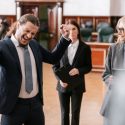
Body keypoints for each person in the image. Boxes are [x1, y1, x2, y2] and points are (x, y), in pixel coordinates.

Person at [0, 13, 71, 125]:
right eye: (27, 31)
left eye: (33, 33)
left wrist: (65, 38)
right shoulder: (3, 47)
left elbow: (53, 58)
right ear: (18, 25)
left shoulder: (34, 44)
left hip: (35, 106)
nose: (29, 36)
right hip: (12, 107)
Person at [53, 20, 92, 125]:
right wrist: (59, 80)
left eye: (74, 28)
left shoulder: (85, 48)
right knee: (64, 113)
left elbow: (89, 67)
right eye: (69, 29)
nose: (72, 32)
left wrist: (78, 70)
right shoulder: (60, 46)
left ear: (78, 30)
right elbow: (54, 66)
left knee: (75, 113)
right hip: (63, 85)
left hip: (78, 85)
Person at [101, 16, 125, 125]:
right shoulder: (113, 48)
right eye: (119, 29)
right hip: (113, 101)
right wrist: (110, 79)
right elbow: (105, 74)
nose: (120, 32)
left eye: (123, 29)